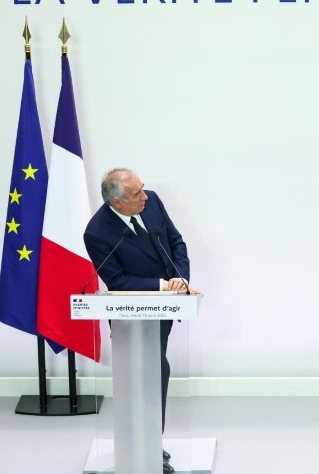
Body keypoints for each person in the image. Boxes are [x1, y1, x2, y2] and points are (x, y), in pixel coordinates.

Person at [83, 168, 193, 474]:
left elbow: (177, 243)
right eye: (136, 194)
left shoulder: (153, 202)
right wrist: (163, 285)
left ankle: (151, 444)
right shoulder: (97, 232)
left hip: (165, 311)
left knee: (157, 370)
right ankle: (143, 450)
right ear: (117, 203)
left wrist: (180, 279)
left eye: (142, 189)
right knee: (145, 374)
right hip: (132, 319)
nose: (144, 196)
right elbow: (116, 280)